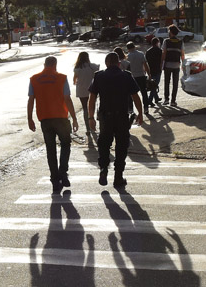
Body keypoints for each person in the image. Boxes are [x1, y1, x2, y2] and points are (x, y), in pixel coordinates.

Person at [88, 52, 143, 188]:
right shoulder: (126, 76)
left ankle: (103, 169)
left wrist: (90, 117)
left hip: (105, 117)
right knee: (121, 146)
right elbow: (136, 96)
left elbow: (92, 98)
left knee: (104, 144)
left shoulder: (99, 76)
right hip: (121, 117)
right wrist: (140, 113)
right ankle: (118, 176)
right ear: (119, 63)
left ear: (106, 63)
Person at [27, 56, 79, 193]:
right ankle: (63, 171)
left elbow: (31, 100)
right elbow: (67, 98)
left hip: (45, 119)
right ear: (55, 65)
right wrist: (74, 118)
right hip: (61, 118)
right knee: (65, 145)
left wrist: (29, 119)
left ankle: (54, 179)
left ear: (44, 65)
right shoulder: (62, 78)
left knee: (50, 150)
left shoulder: (34, 79)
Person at [73, 52, 100, 135]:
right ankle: (93, 125)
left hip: (82, 90)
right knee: (92, 108)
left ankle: (88, 128)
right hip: (92, 90)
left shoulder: (77, 68)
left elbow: (74, 80)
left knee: (85, 108)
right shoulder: (93, 66)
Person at [161, 24, 186, 106]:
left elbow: (164, 54)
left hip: (168, 65)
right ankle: (173, 101)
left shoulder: (166, 41)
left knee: (167, 83)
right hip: (176, 66)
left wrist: (162, 64)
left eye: (169, 31)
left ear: (171, 32)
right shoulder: (180, 42)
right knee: (175, 84)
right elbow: (182, 54)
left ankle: (166, 100)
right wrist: (183, 64)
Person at [126, 41, 151, 114]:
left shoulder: (128, 56)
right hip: (141, 75)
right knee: (144, 92)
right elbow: (145, 65)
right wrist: (149, 73)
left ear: (128, 48)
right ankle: (146, 108)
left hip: (132, 76)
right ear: (134, 46)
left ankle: (130, 109)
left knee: (131, 93)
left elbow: (128, 68)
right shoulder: (141, 54)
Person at [145, 37, 162, 107]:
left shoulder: (148, 52)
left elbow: (146, 62)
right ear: (157, 43)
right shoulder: (159, 51)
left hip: (151, 70)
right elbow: (161, 61)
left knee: (153, 84)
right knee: (154, 86)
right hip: (157, 69)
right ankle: (150, 100)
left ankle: (156, 98)